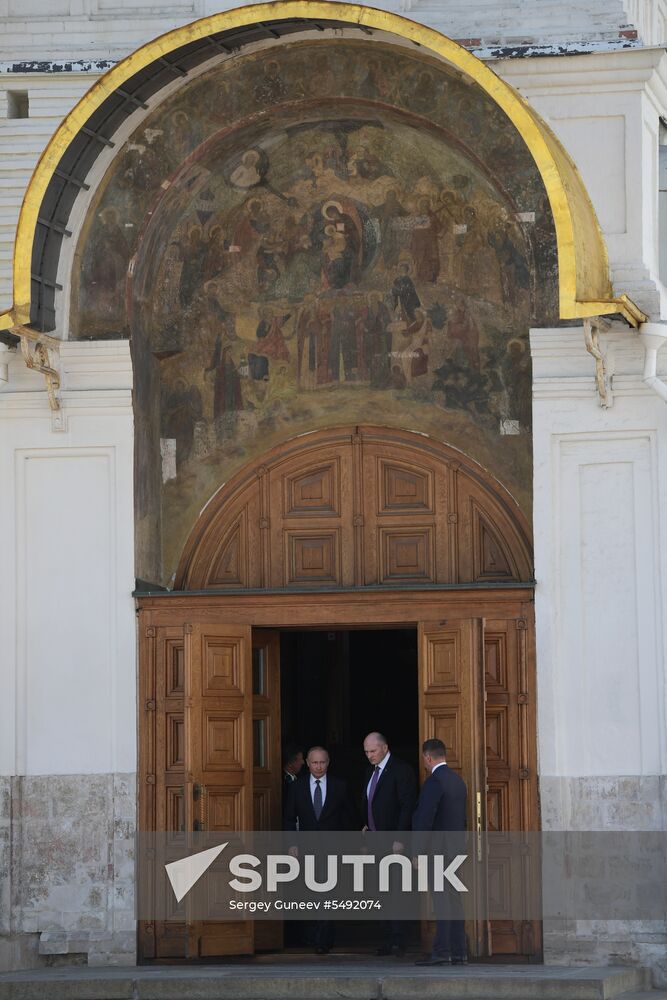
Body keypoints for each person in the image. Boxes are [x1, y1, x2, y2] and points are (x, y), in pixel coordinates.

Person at [283, 746, 355, 954]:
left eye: (322, 762)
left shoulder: (340, 786)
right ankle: (310, 936)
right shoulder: (297, 787)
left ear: (328, 762)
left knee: (327, 894)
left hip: (333, 849)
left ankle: (323, 940)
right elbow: (289, 818)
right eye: (314, 763)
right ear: (307, 763)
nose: (319, 767)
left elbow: (349, 817)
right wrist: (292, 844)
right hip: (305, 849)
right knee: (308, 893)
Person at [412, 738, 468, 966]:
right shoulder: (457, 781)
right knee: (454, 900)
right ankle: (459, 952)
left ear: (427, 757)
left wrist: (417, 851)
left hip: (438, 851)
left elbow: (425, 819)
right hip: (455, 850)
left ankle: (442, 952)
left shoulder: (434, 782)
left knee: (442, 900)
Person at [362, 731, 417, 956]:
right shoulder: (369, 771)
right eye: (366, 752)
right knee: (380, 891)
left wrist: (400, 838)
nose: (369, 755)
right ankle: (386, 939)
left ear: (385, 748)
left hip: (394, 843)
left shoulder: (402, 770)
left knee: (396, 891)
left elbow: (407, 806)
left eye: (373, 751)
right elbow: (369, 802)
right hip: (375, 841)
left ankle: (399, 940)